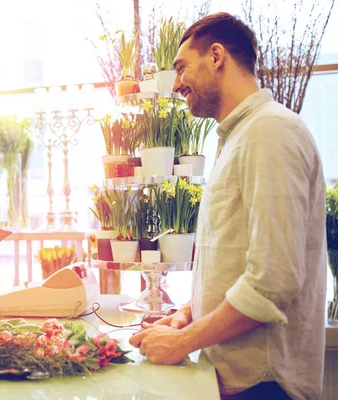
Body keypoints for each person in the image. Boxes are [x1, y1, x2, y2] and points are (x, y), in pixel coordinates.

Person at [129, 12, 327, 400]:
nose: (178, 84)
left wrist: (184, 340)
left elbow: (272, 282)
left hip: (266, 386)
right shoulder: (240, 136)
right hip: (241, 382)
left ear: (216, 56)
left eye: (182, 67)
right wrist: (188, 312)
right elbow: (235, 261)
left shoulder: (270, 131)